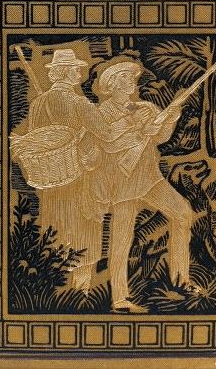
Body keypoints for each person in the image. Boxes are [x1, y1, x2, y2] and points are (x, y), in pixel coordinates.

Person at [24, 49, 143, 293]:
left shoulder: (38, 103)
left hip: (50, 177)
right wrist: (128, 120)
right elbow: (107, 134)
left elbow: (36, 139)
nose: (79, 73)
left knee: (53, 232)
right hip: (77, 178)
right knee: (83, 235)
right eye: (76, 69)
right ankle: (81, 292)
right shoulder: (79, 103)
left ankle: (50, 292)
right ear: (67, 73)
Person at [83, 58, 194, 313]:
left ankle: (181, 281)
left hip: (149, 178)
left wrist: (170, 117)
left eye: (132, 76)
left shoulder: (145, 107)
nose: (131, 80)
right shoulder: (102, 113)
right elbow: (109, 144)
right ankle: (120, 298)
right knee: (122, 240)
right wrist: (138, 130)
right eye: (124, 77)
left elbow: (160, 137)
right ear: (111, 85)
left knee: (183, 214)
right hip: (122, 183)